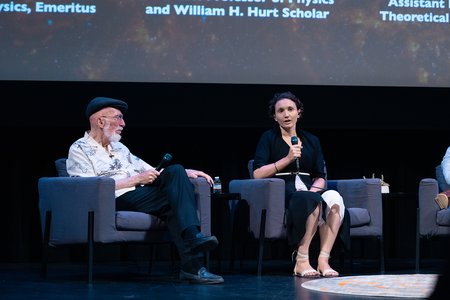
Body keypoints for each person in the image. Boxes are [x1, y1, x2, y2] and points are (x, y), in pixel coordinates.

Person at [66, 96, 224, 284]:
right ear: (100, 121)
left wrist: (187, 172)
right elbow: (87, 187)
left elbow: (150, 170)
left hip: (139, 194)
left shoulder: (120, 147)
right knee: (174, 202)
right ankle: (193, 252)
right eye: (118, 117)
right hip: (113, 199)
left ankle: (192, 256)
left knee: (175, 172)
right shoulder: (79, 148)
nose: (123, 123)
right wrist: (135, 179)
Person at [252, 91, 349, 278]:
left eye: (290, 109)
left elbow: (320, 175)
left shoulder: (312, 140)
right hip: (284, 193)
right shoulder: (268, 138)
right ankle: (302, 261)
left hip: (309, 190)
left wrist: (314, 190)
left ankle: (323, 260)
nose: (286, 114)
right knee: (310, 200)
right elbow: (257, 174)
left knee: (335, 198)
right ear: (275, 116)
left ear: (299, 112)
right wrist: (287, 159)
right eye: (280, 111)